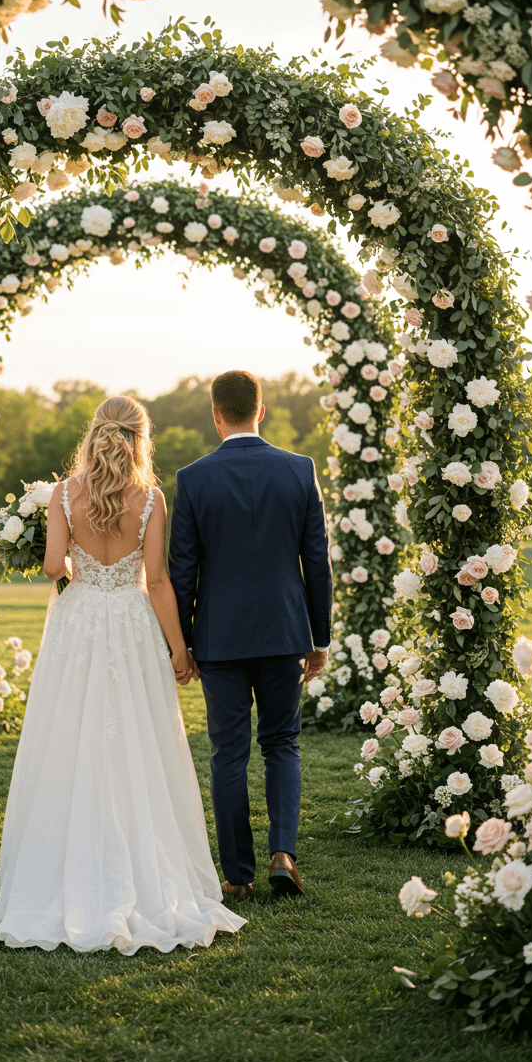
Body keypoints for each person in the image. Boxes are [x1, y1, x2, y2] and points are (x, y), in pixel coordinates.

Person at [0, 395, 246, 953]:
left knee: (69, 732)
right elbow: (157, 583)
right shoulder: (150, 498)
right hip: (131, 626)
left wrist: (60, 550)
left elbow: (55, 567)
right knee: (138, 738)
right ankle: (141, 860)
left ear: (94, 435)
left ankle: (60, 862)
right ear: (140, 437)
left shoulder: (62, 494)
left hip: (79, 622)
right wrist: (179, 651)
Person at [168, 370, 332, 900]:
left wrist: (186, 643)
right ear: (260, 411)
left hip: (220, 639)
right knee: (282, 742)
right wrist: (320, 636)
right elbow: (317, 562)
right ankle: (283, 852)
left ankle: (237, 876)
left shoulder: (193, 479)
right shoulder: (299, 470)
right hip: (286, 632)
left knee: (228, 753)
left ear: (217, 415)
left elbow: (182, 571)